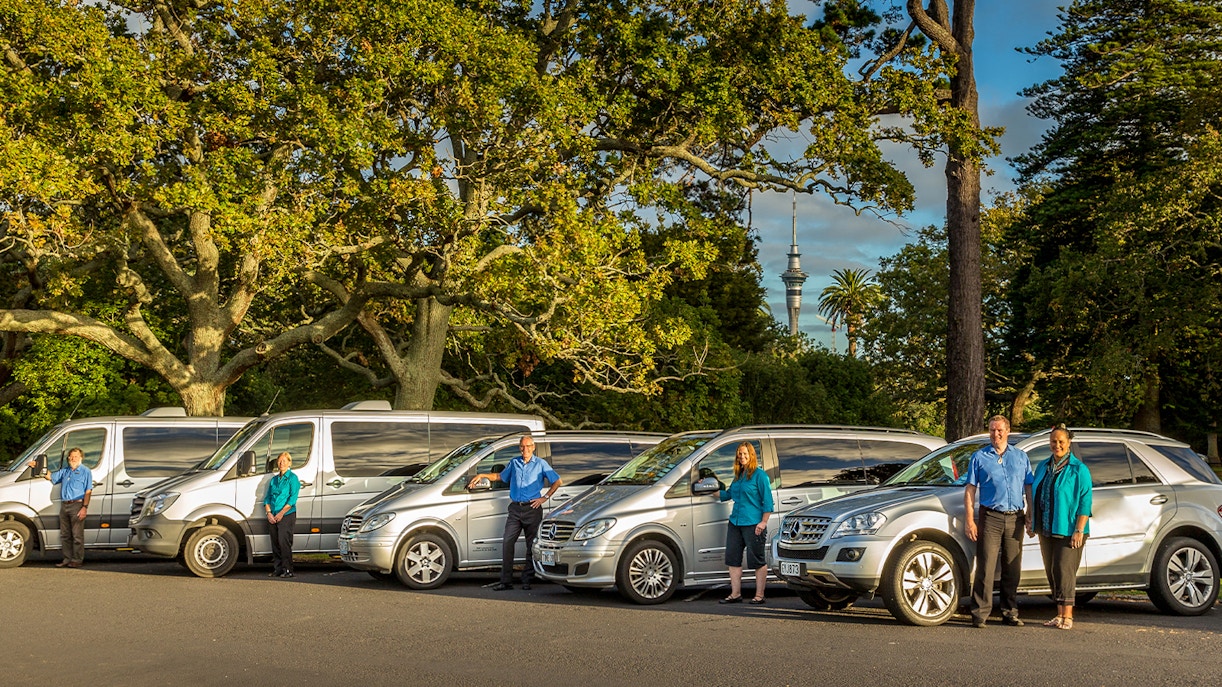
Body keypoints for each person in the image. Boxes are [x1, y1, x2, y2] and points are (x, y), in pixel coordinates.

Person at [468, 435, 562, 591]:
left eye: (528, 446)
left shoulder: (540, 464)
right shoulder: (514, 462)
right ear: (520, 447)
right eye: (522, 446)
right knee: (507, 542)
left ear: (533, 447)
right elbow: (500, 476)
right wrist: (482, 475)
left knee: (531, 545)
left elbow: (557, 481)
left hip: (532, 508)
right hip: (515, 508)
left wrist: (545, 497)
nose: (525, 449)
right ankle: (506, 581)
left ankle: (527, 580)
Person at [964, 415, 1033, 627]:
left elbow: (1028, 486)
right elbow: (970, 489)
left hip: (1015, 517)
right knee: (986, 565)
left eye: (1000, 430)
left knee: (1012, 566)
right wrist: (969, 520)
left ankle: (1010, 612)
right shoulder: (979, 457)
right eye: (992, 430)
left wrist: (1030, 513)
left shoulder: (1021, 457)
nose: (996, 434)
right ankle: (980, 613)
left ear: (1008, 431)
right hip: (991, 516)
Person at [1031, 425, 1092, 629]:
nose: (1056, 445)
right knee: (1052, 571)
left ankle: (1068, 616)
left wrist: (1079, 529)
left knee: (1064, 570)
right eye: (1053, 441)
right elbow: (1034, 493)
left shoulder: (1078, 469)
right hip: (1046, 527)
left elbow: (1085, 501)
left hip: (1069, 529)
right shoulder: (1043, 466)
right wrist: (1031, 520)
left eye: (1060, 442)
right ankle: (1058, 614)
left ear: (1068, 443)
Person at [718, 442, 774, 605]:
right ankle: (735, 594)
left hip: (753, 523)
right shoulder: (738, 476)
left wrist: (763, 522)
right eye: (739, 454)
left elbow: (768, 501)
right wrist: (707, 489)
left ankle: (759, 595)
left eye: (744, 454)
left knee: (757, 559)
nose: (741, 457)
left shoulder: (759, 475)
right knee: (733, 558)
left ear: (751, 455)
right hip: (735, 522)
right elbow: (728, 494)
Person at [28, 447, 92, 568]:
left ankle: (77, 560)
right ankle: (67, 559)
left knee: (77, 536)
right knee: (65, 535)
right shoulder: (66, 471)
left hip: (77, 505)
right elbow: (51, 477)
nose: (73, 459)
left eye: (76, 456)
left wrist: (84, 507)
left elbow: (88, 490)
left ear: (81, 458)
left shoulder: (85, 471)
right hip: (64, 505)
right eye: (71, 456)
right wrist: (37, 466)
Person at [264, 451, 299, 579]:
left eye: (284, 461)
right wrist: (268, 513)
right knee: (275, 543)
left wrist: (281, 513)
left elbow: (292, 499)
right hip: (272, 515)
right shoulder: (274, 480)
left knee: (284, 542)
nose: (281, 463)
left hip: (287, 514)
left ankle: (288, 569)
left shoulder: (292, 478)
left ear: (289, 463)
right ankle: (278, 569)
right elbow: (267, 498)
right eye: (279, 461)